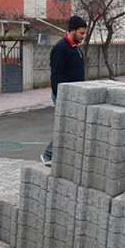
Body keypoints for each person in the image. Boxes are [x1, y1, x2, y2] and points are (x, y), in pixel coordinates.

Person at [40, 15, 87, 166]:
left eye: (84, 33)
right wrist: (61, 97)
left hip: (76, 95)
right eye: (81, 33)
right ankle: (48, 155)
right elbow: (56, 76)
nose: (83, 36)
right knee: (66, 126)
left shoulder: (76, 48)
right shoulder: (60, 48)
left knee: (72, 126)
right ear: (72, 30)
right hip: (64, 96)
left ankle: (61, 155)